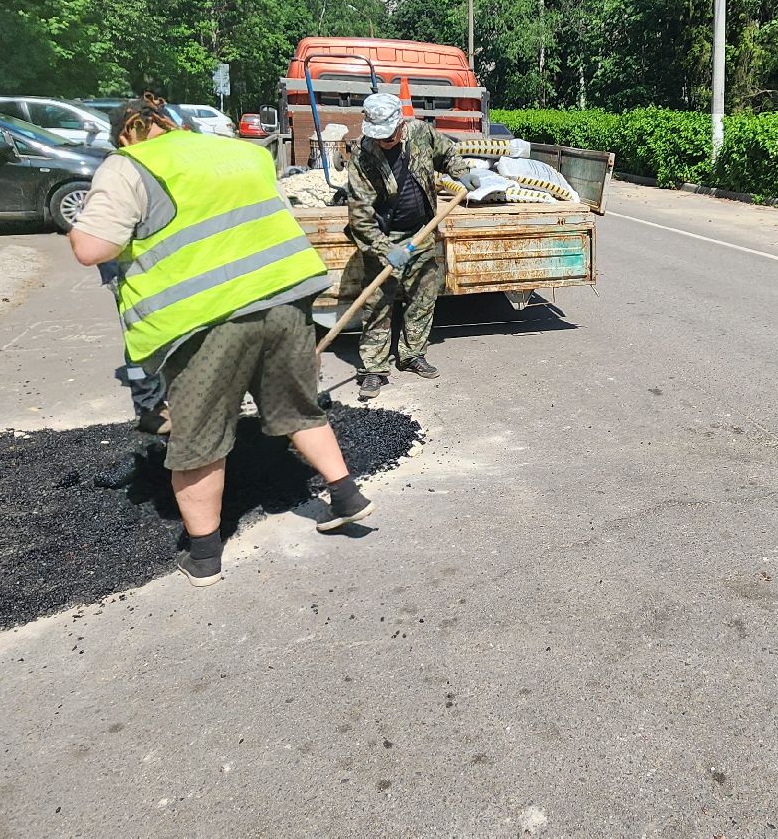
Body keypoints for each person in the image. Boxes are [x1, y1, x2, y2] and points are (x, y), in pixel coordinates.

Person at [67, 99, 375, 588]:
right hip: (286, 301)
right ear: (173, 122)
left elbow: (91, 249)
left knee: (199, 437)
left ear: (125, 134)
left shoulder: (129, 166)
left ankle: (205, 556)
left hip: (208, 321)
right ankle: (345, 495)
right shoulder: (239, 152)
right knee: (297, 408)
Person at [342, 92, 474, 400]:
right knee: (377, 303)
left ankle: (412, 354)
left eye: (390, 136)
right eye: (380, 138)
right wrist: (384, 248)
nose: (385, 142)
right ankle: (374, 369)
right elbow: (360, 217)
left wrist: (463, 173)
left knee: (424, 297)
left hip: (422, 231)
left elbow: (448, 154)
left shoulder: (420, 133)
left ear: (401, 125)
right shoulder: (362, 159)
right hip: (386, 237)